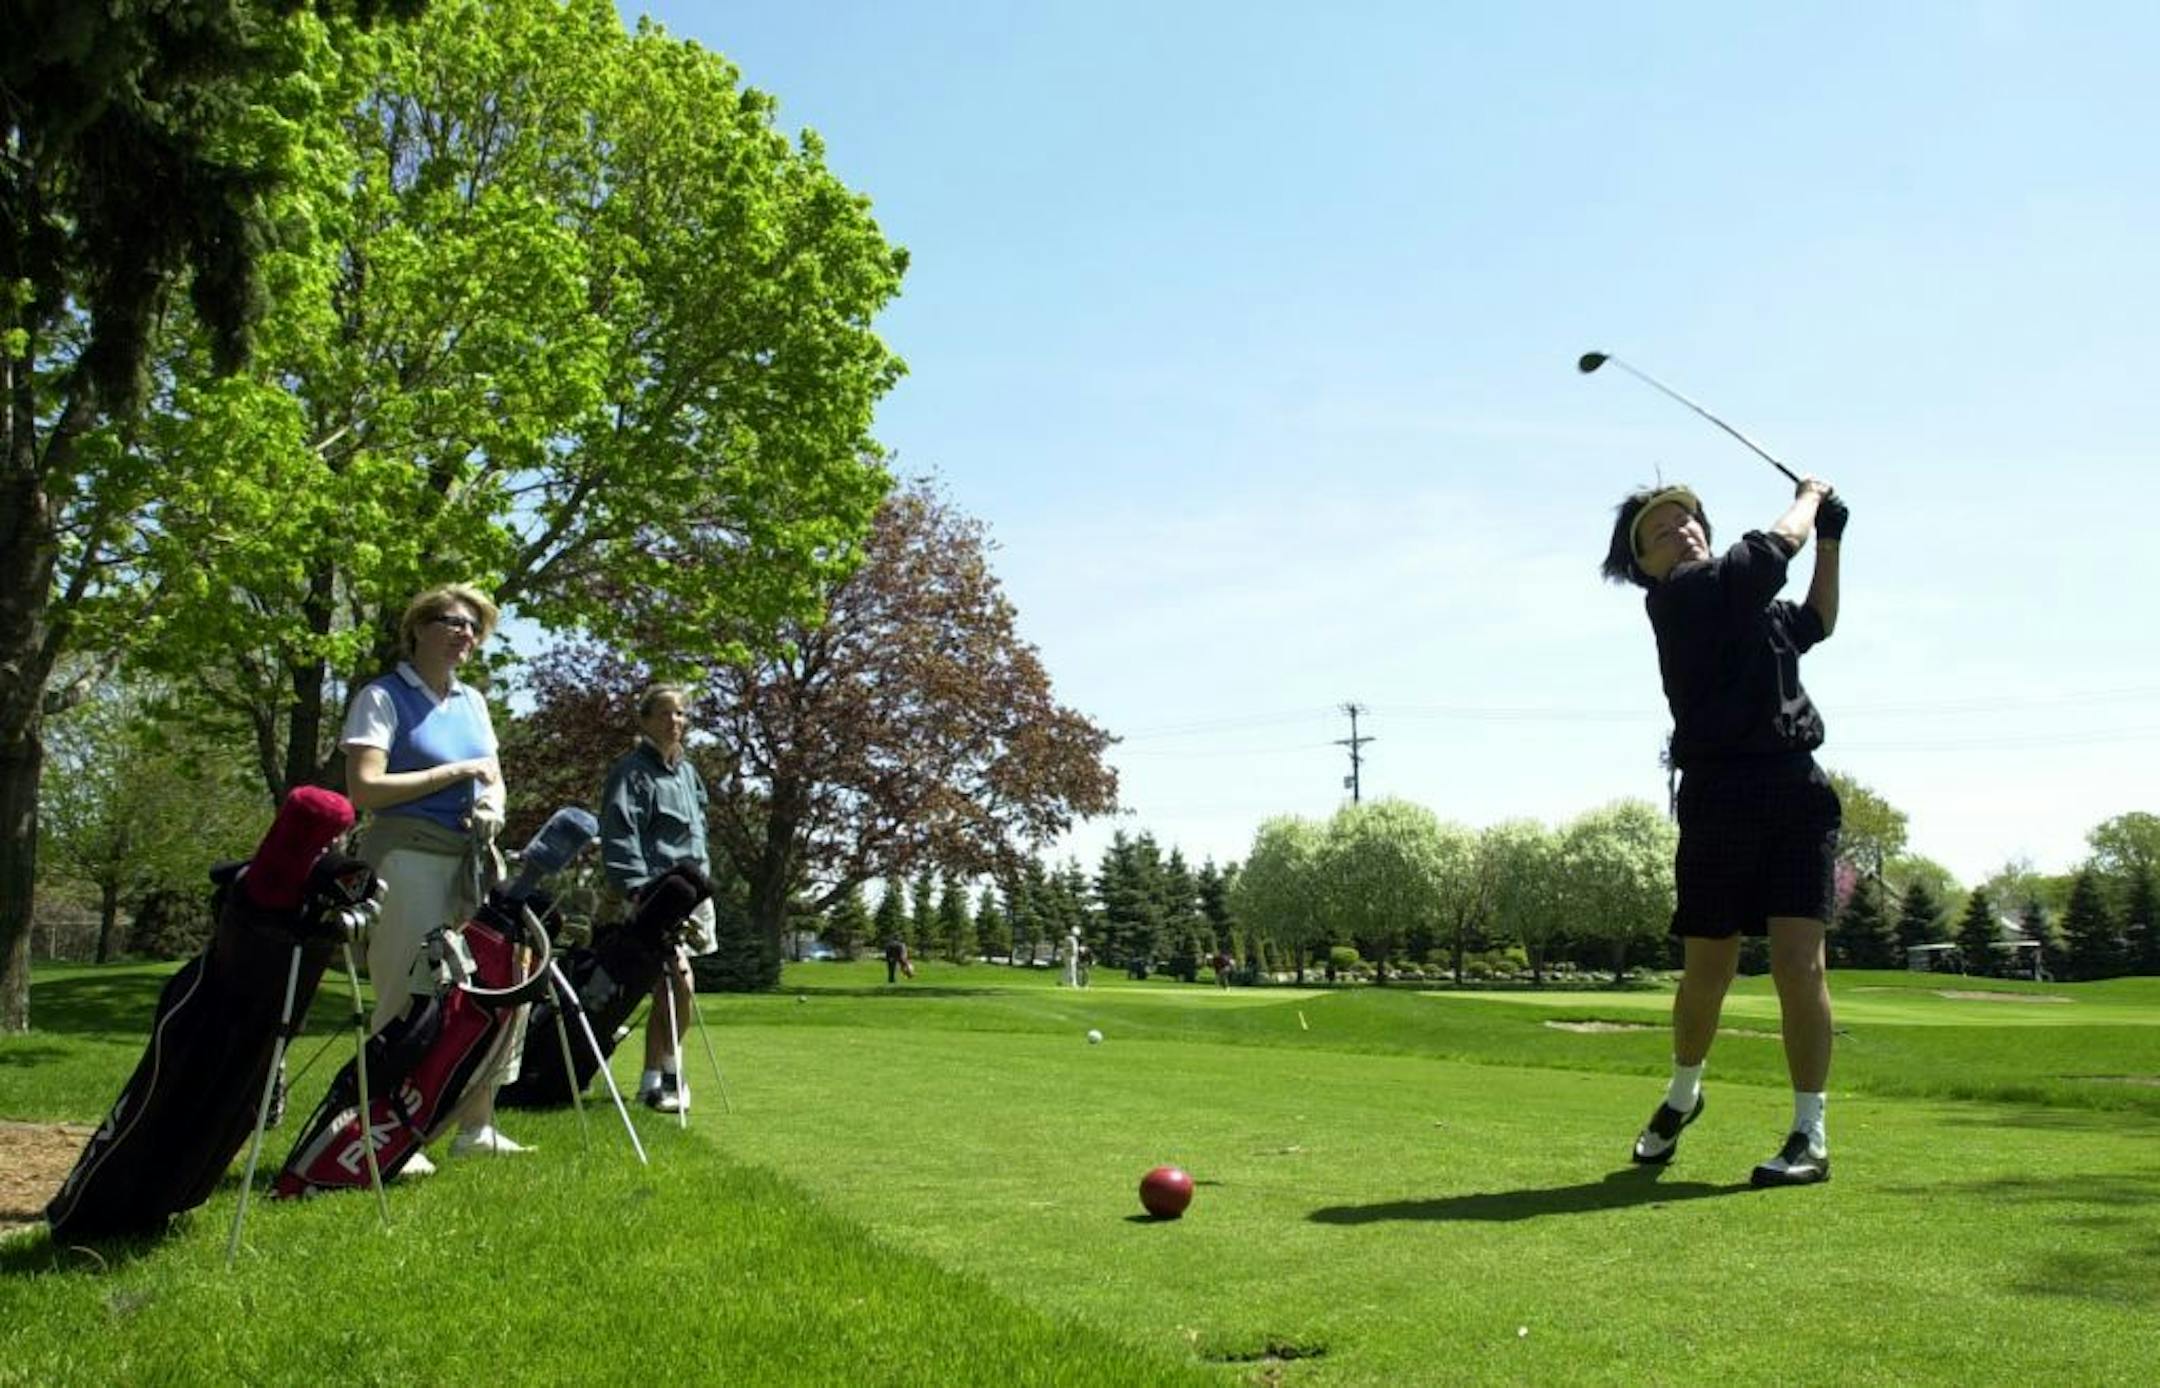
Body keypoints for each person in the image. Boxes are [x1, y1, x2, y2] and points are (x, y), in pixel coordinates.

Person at [1603, 477, 1847, 1187]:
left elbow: (1816, 621)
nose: (1681, 532)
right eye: (1661, 532)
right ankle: (1684, 1094)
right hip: (1718, 798)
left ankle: (1810, 1133)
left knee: (1799, 965)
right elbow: (1770, 553)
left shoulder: (1748, 605)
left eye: (1688, 521)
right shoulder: (1680, 599)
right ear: (1644, 564)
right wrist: (1809, 498)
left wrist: (1830, 539)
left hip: (1796, 792)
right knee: (1708, 968)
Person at [342, 583, 522, 1168]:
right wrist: (454, 774)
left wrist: (492, 800)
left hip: (468, 861)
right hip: (407, 857)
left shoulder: (472, 701)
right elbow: (366, 789)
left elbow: (492, 774)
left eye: (474, 627)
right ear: (417, 627)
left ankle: (476, 1125)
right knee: (406, 991)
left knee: (490, 987)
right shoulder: (383, 697)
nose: (464, 634)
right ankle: (387, 1131)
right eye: (451, 621)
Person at [598, 685, 716, 1114]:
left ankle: (651, 1081)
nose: (675, 722)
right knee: (678, 982)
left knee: (669, 986)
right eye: (664, 714)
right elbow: (619, 833)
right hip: (653, 895)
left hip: (692, 892)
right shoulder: (631, 771)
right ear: (645, 720)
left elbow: (697, 829)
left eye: (681, 714)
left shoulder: (687, 772)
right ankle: (670, 1074)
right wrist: (637, 890)